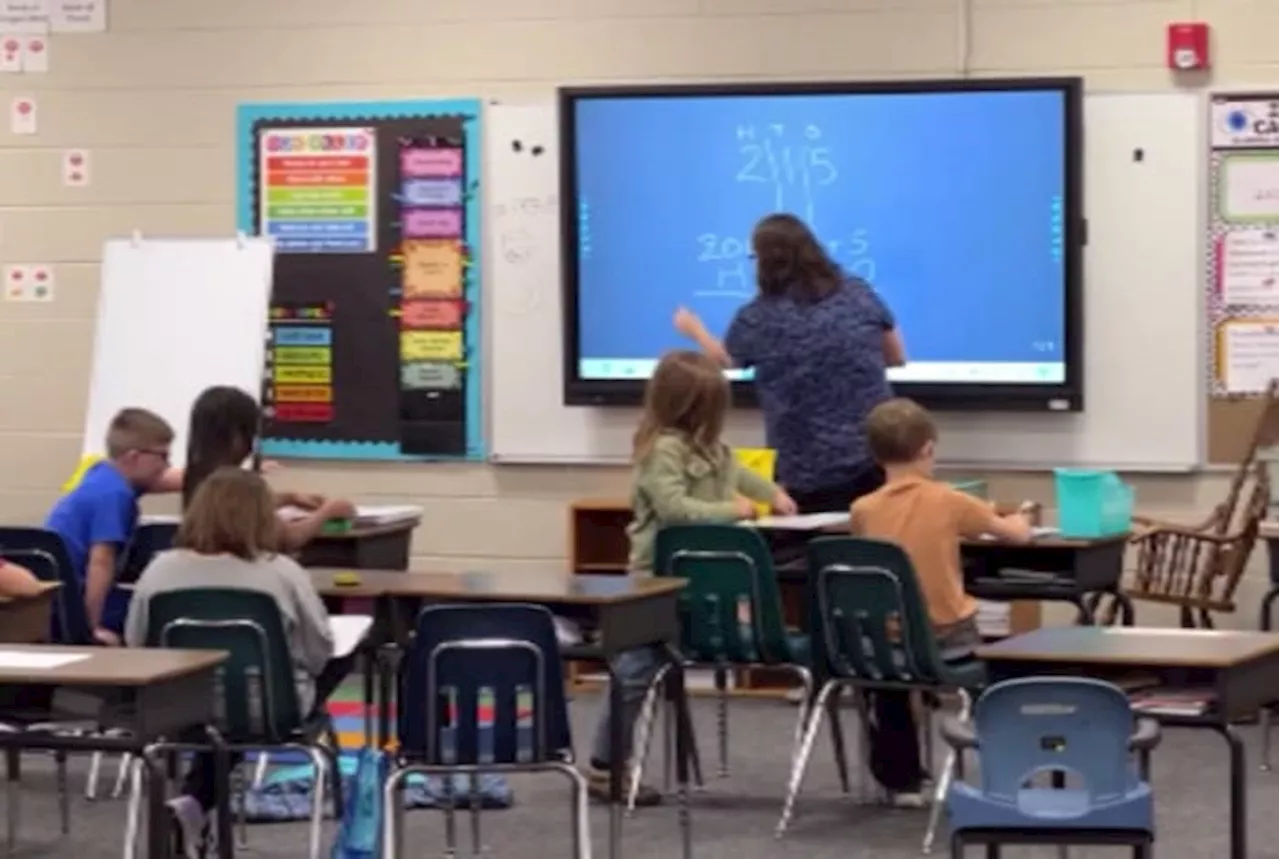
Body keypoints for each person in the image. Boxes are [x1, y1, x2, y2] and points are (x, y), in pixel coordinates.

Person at [584, 350, 795, 803]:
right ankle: (606, 765)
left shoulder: (713, 449)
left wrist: (773, 494)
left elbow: (738, 472)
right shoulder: (663, 450)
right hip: (653, 582)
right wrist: (733, 510)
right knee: (636, 669)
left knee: (663, 662)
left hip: (701, 582)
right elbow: (675, 510)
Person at [124, 467, 343, 856]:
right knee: (323, 661)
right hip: (269, 710)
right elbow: (317, 650)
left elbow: (136, 643)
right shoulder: (282, 572)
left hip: (177, 709)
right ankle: (193, 806)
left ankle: (192, 805)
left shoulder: (158, 570)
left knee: (221, 710)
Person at [850, 398, 1034, 806]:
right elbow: (1014, 536)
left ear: (875, 454)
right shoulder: (949, 499)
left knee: (891, 674)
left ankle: (903, 783)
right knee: (996, 662)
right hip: (948, 639)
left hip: (887, 643)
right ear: (928, 449)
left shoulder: (862, 509)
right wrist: (1022, 518)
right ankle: (1009, 768)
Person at [674, 212, 906, 513]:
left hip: (805, 473)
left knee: (809, 553)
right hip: (877, 461)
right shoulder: (859, 294)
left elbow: (727, 360)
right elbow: (897, 356)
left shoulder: (758, 318)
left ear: (764, 263)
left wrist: (696, 331)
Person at [45, 408, 175, 644]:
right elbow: (101, 563)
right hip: (72, 603)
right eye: (163, 457)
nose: (167, 466)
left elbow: (166, 480)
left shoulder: (101, 475)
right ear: (134, 457)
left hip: (56, 599)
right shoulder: (115, 496)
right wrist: (89, 631)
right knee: (156, 611)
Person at [182, 385, 356, 549]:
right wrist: (328, 512)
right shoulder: (236, 482)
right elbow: (288, 537)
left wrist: (289, 498)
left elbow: (235, 509)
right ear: (236, 437)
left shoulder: (198, 478)